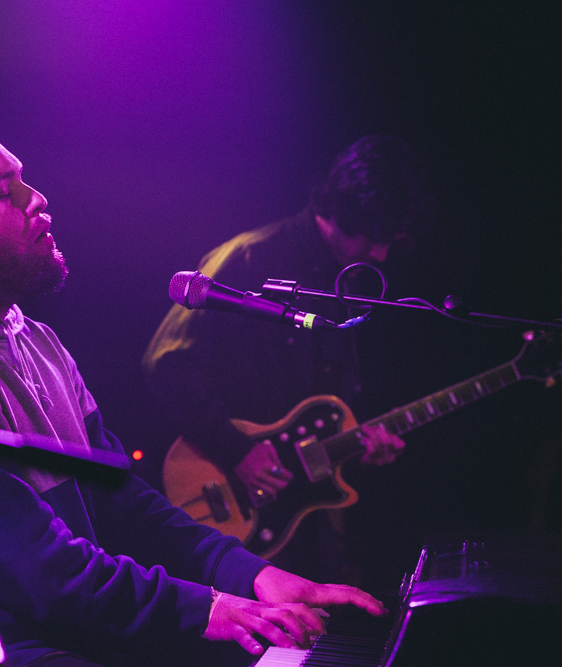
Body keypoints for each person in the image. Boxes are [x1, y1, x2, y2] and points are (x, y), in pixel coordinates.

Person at [0, 117, 388, 667]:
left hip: (37, 636)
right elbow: (29, 569)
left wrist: (251, 575)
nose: (37, 199)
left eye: (24, 181)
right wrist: (209, 609)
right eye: (3, 192)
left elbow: (118, 502)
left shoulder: (30, 338)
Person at [142, 136, 433, 585]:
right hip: (227, 502)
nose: (380, 254)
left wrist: (361, 446)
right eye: (372, 237)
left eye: (388, 240)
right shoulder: (249, 258)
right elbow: (167, 363)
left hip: (303, 523)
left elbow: (322, 406)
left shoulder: (348, 281)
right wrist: (236, 449)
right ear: (343, 211)